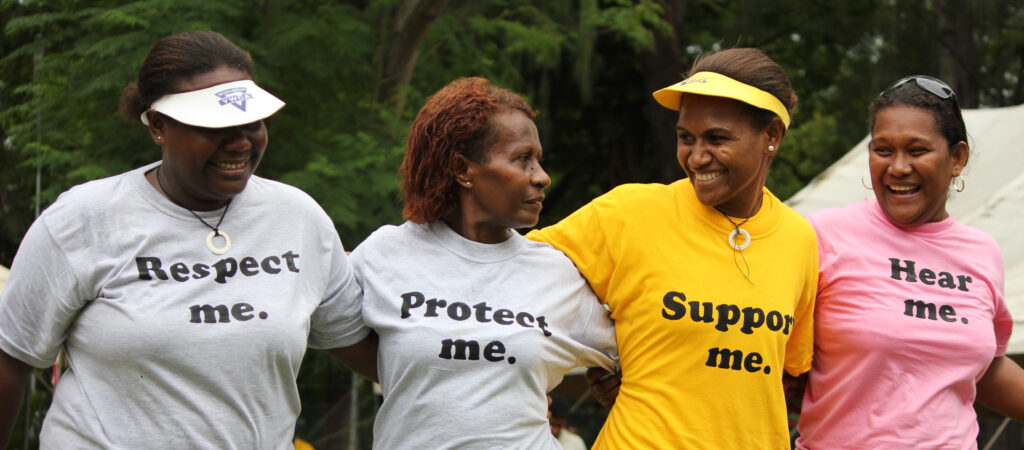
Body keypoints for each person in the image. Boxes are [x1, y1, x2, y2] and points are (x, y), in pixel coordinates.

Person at [0, 30, 376, 448]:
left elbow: (373, 349)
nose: (239, 142)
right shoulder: (82, 220)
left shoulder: (298, 218)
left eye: (251, 123)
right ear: (158, 125)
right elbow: (11, 357)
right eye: (213, 126)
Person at [528, 48, 817, 448]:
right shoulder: (629, 212)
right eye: (686, 138)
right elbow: (512, 275)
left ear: (771, 136)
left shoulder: (799, 239)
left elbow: (786, 371)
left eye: (717, 138)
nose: (697, 157)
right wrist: (602, 352)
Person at [350, 77, 617, 449]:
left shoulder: (558, 273)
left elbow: (649, 356)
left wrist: (619, 385)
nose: (542, 177)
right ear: (462, 169)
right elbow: (327, 326)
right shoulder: (385, 254)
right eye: (522, 159)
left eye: (539, 160)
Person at [795, 75, 1024, 448]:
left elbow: (984, 367)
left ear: (957, 158)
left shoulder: (982, 252)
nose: (898, 167)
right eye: (883, 150)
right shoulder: (822, 236)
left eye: (917, 151)